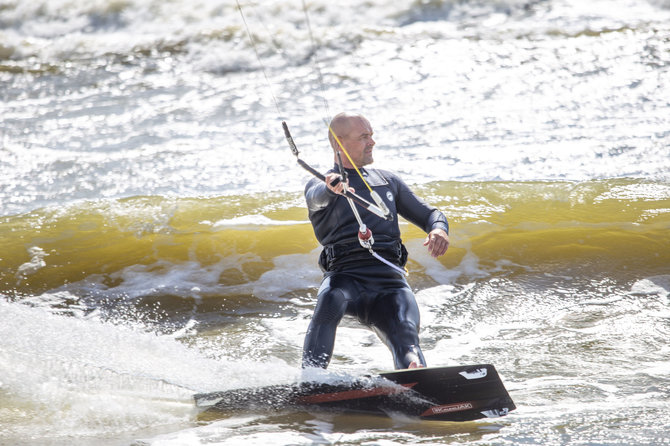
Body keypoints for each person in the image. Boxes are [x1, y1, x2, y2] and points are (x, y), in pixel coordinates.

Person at [302, 112, 450, 370]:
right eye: (363, 137)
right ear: (339, 144)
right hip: (345, 278)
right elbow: (317, 198)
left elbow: (430, 214)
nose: (372, 142)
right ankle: (311, 379)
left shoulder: (387, 181)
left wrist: (438, 229)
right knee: (329, 302)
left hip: (389, 282)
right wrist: (330, 188)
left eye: (371, 135)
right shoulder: (320, 186)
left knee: (405, 332)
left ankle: (416, 377)